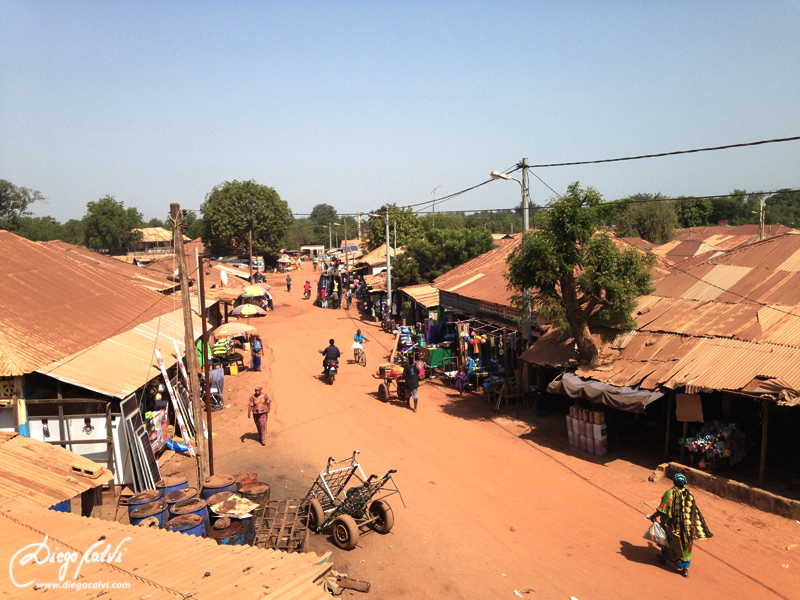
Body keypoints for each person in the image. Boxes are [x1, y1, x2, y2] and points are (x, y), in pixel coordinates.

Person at [648, 473, 713, 577]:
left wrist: (652, 516)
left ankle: (664, 558)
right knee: (686, 546)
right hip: (687, 526)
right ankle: (685, 568)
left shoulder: (669, 493)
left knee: (669, 543)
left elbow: (663, 510)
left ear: (674, 481)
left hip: (672, 526)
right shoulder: (689, 493)